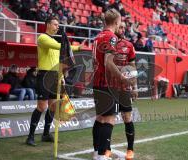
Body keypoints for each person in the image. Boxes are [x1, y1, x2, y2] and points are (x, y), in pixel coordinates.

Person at [26, 16, 85, 146]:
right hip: (44, 75)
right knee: (42, 107)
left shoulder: (52, 39)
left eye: (58, 25)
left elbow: (57, 60)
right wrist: (77, 48)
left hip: (55, 76)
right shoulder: (43, 38)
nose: (57, 27)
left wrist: (61, 76)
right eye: (55, 24)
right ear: (47, 25)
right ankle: (30, 136)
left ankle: (45, 134)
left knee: (53, 107)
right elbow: (60, 47)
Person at [92, 9, 135, 160]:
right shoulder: (111, 37)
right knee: (109, 119)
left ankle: (97, 152)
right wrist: (122, 77)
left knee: (100, 118)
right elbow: (108, 62)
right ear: (116, 21)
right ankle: (103, 155)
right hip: (107, 83)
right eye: (120, 22)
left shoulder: (97, 36)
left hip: (97, 82)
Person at [105, 22, 138, 160]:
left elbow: (132, 66)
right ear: (114, 27)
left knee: (127, 118)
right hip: (109, 87)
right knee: (108, 120)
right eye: (120, 27)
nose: (123, 29)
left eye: (124, 27)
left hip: (124, 88)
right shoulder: (108, 43)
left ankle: (130, 149)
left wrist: (135, 87)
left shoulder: (129, 45)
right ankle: (106, 149)